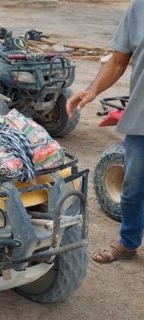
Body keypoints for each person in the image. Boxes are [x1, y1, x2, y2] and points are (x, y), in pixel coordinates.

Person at [67, 0, 143, 263]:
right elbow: (118, 60)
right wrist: (91, 91)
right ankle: (128, 243)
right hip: (141, 119)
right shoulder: (138, 8)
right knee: (133, 187)